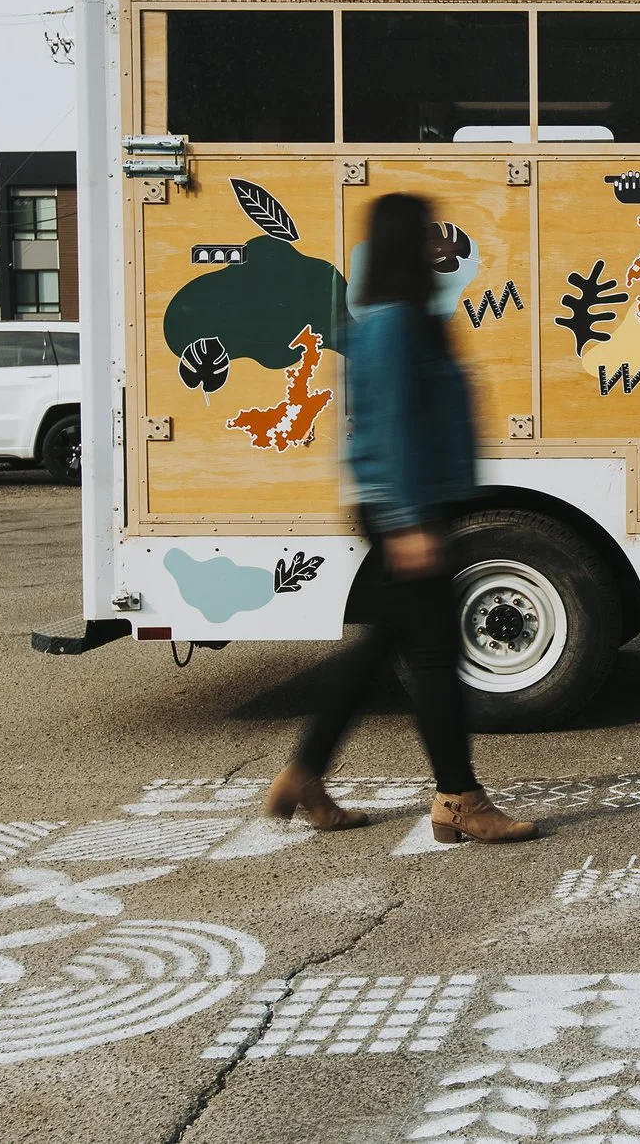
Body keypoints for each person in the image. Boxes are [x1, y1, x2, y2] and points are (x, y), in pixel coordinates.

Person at [263, 191, 538, 845]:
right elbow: (390, 427)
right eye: (426, 234)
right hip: (406, 509)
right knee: (435, 657)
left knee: (385, 646)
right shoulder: (392, 324)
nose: (439, 244)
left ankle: (305, 772)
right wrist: (411, 519)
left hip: (412, 505)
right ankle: (459, 799)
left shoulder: (410, 317)